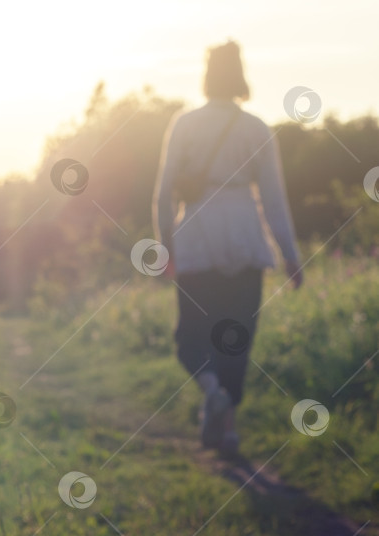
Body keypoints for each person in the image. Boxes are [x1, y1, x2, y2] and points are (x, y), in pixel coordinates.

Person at [152, 41, 303, 456]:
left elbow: (163, 193)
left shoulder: (184, 124)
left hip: (197, 237)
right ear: (240, 74)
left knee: (191, 338)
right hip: (245, 237)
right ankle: (230, 429)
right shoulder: (257, 128)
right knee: (235, 336)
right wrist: (291, 255)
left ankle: (213, 392)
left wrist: (166, 245)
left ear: (206, 75)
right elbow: (274, 200)